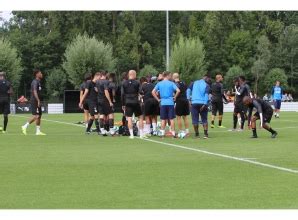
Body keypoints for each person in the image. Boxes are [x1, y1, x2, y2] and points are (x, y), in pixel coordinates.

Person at [152, 71, 180, 138]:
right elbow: (178, 90)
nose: (170, 77)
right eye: (170, 75)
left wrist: (158, 99)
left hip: (163, 102)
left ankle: (162, 134)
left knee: (163, 119)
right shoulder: (171, 83)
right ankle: (173, 133)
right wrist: (175, 97)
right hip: (170, 102)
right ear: (167, 76)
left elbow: (153, 92)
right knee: (171, 119)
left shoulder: (159, 83)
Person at [121, 70, 145, 139]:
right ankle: (141, 134)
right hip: (135, 102)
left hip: (127, 102)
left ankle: (131, 135)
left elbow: (122, 94)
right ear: (134, 74)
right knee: (140, 117)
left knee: (129, 118)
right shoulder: (137, 82)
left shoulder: (124, 83)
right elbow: (141, 91)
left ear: (129, 74)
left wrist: (123, 104)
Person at [22, 69, 46, 135]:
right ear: (37, 74)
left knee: (39, 115)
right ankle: (24, 126)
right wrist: (38, 100)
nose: (41, 74)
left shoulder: (39, 81)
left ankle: (38, 131)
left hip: (37, 100)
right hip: (35, 100)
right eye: (40, 73)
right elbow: (34, 91)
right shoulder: (35, 82)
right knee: (37, 115)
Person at [187, 74, 211, 139]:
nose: (209, 80)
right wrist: (204, 104)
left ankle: (197, 135)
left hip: (194, 103)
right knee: (204, 119)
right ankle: (205, 135)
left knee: (195, 120)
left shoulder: (193, 83)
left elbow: (188, 90)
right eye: (208, 79)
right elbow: (206, 95)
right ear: (205, 78)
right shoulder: (207, 85)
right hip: (202, 103)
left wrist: (188, 100)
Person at [97, 71, 115, 136]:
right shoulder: (106, 82)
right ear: (105, 75)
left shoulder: (97, 81)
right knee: (110, 114)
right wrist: (110, 101)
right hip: (105, 100)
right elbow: (106, 91)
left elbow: (96, 89)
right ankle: (112, 131)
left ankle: (102, 131)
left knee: (101, 115)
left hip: (99, 100)